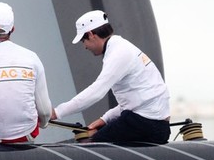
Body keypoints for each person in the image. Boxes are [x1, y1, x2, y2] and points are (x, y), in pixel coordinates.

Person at [51, 10, 171, 144]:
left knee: (87, 143)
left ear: (91, 35)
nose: (84, 47)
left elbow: (96, 93)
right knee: (92, 137)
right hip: (153, 124)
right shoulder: (121, 47)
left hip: (146, 124)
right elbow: (134, 102)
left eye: (83, 41)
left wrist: (56, 113)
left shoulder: (118, 54)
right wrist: (105, 119)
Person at [0, 2, 51, 144]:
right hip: (25, 137)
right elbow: (45, 112)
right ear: (12, 29)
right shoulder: (31, 57)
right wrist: (44, 123)